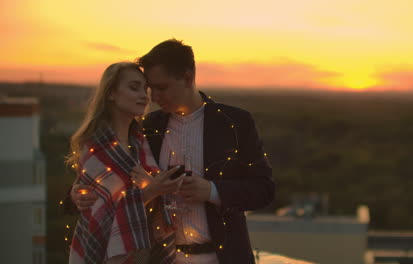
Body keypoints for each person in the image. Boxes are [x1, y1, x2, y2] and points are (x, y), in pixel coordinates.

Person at [70, 39, 275, 264]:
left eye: (161, 88)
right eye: (150, 88)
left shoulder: (234, 123)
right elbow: (107, 177)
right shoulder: (146, 129)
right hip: (162, 258)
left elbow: (264, 190)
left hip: (223, 257)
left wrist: (211, 190)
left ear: (188, 78)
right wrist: (75, 195)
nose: (153, 97)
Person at [65, 62, 184, 264]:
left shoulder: (140, 143)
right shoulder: (96, 146)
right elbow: (101, 214)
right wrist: (151, 191)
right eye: (134, 87)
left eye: (145, 89)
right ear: (111, 93)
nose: (144, 96)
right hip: (106, 255)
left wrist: (152, 186)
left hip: (143, 254)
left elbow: (149, 193)